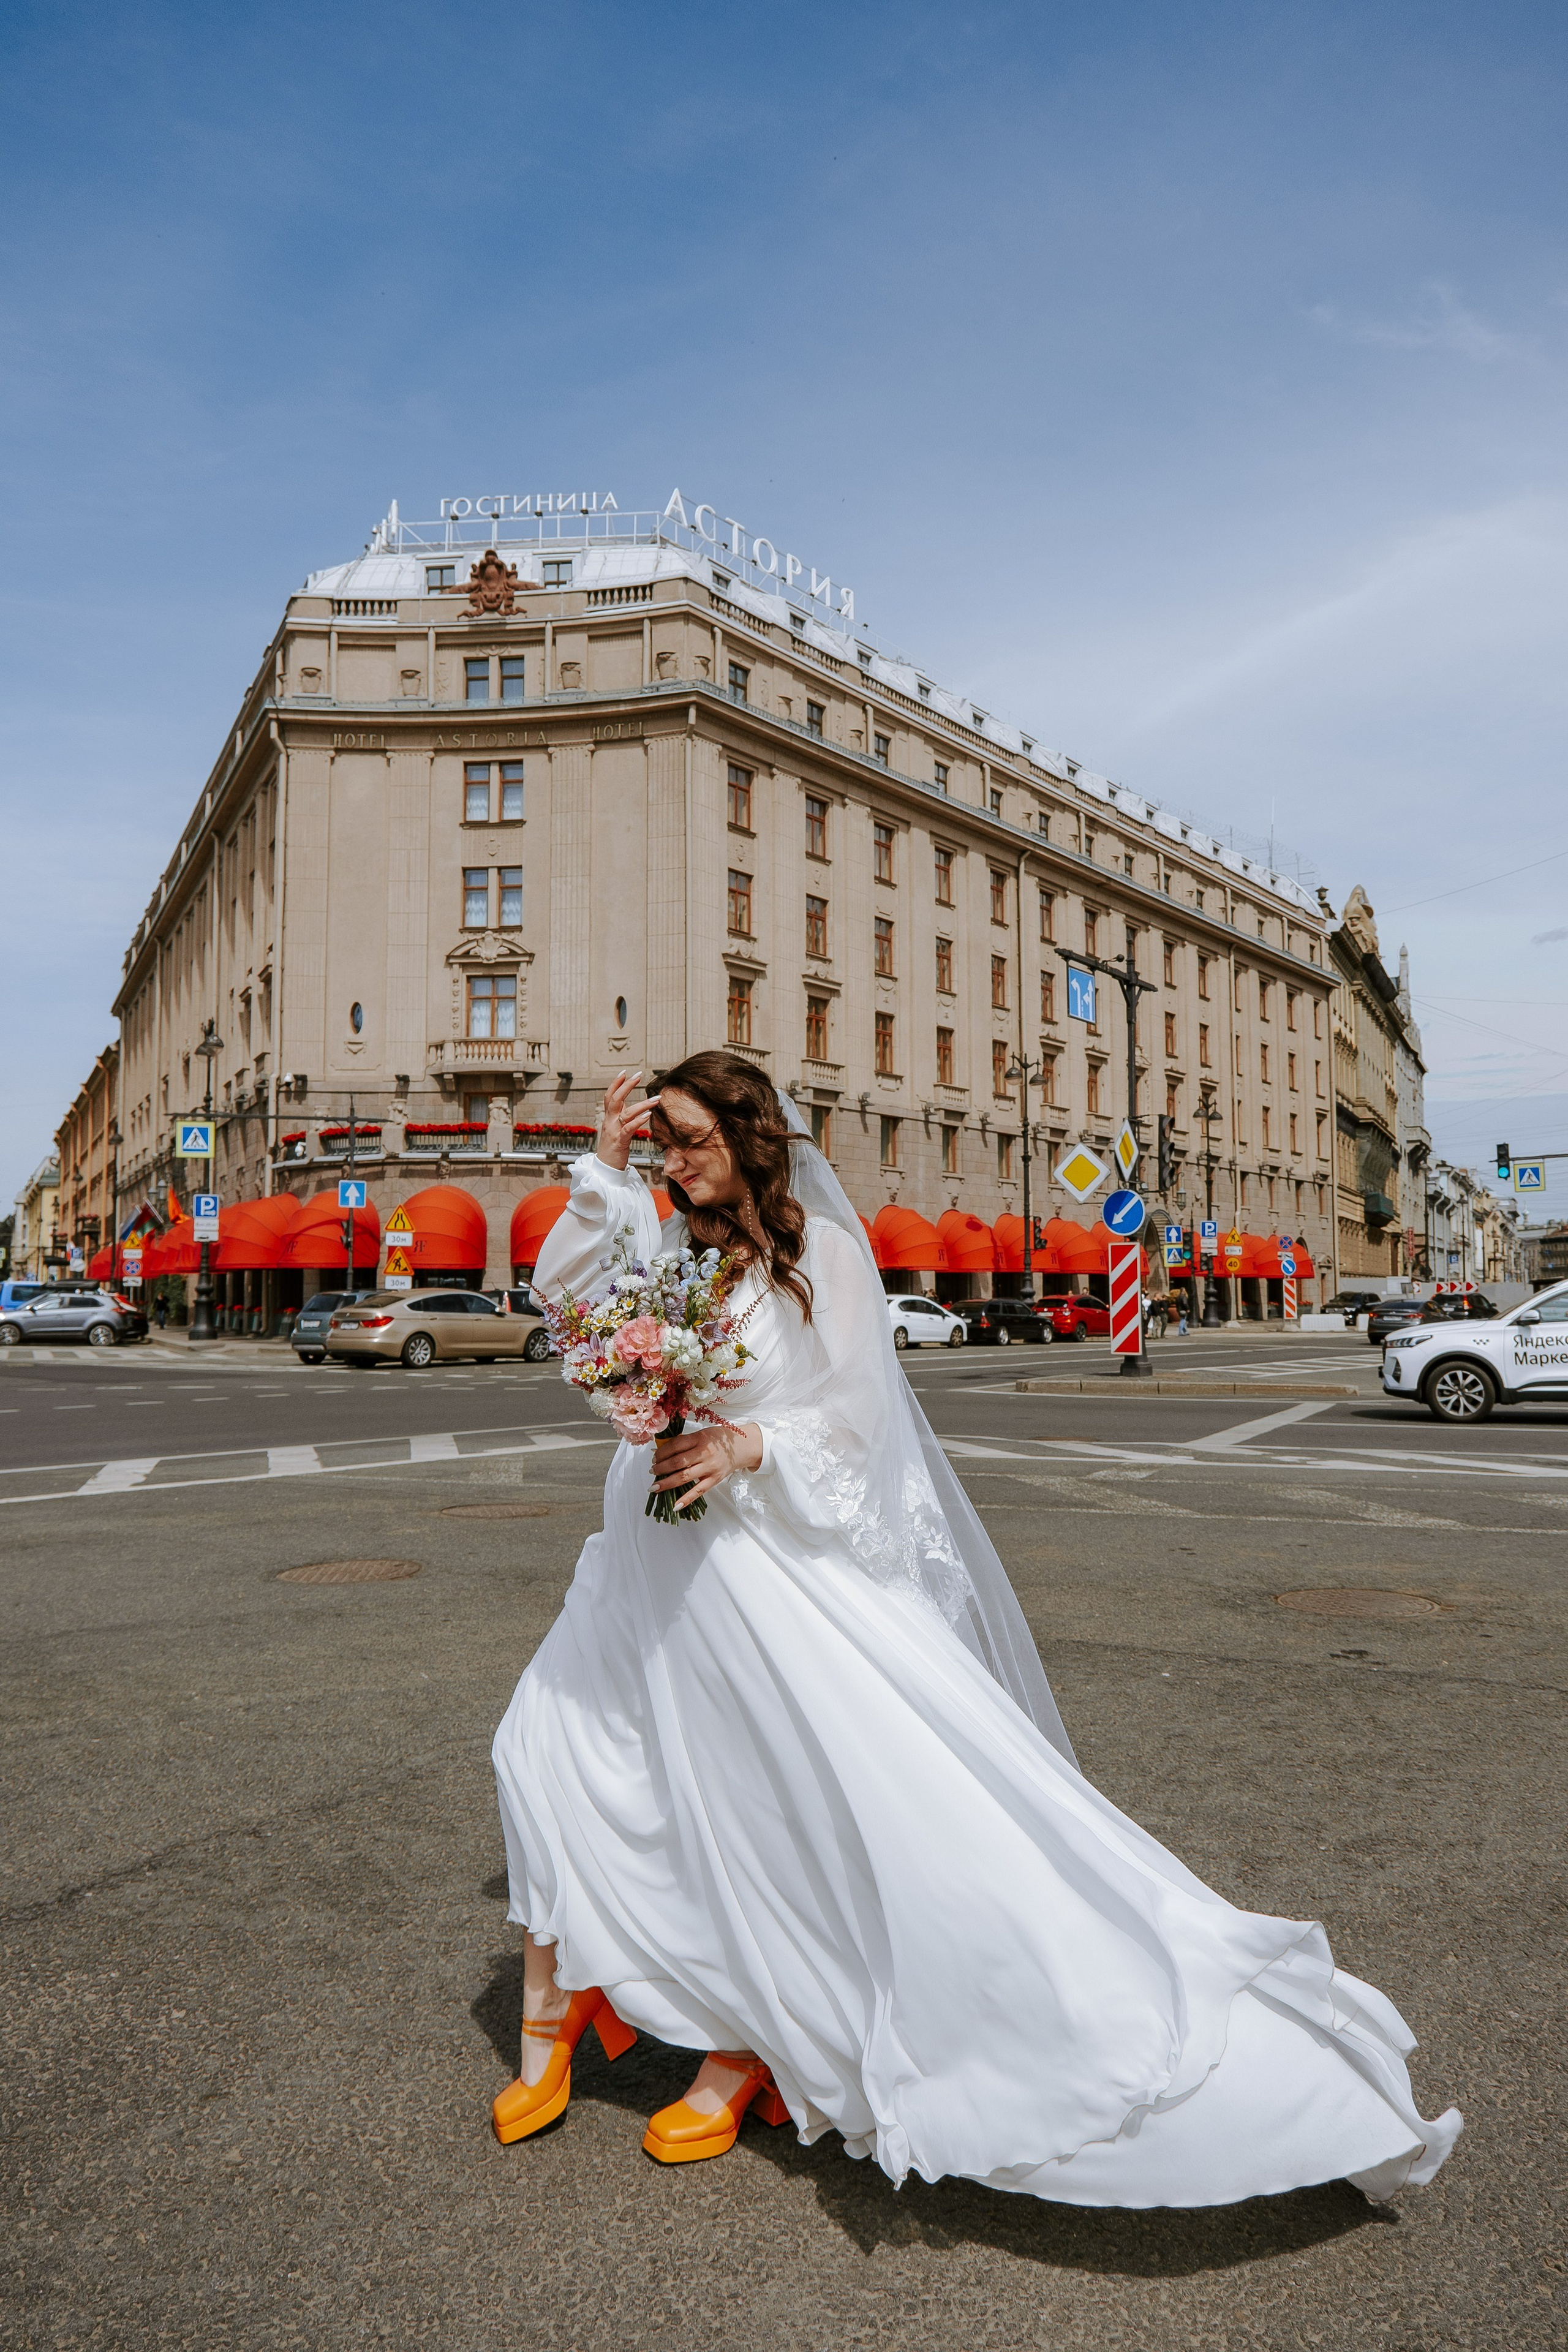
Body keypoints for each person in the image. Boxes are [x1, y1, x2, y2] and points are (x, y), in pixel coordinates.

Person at [490, 1052, 1459, 2202]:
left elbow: (855, 1428)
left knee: (754, 1814)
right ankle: (560, 1994)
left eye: (691, 1141)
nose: (677, 1162)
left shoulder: (829, 1257)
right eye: (665, 1145)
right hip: (643, 1555)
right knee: (538, 1747)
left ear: (753, 1137)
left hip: (750, 1567)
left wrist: (750, 1444)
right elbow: (570, 1305)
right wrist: (603, 1172)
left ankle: (743, 2041)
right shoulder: (679, 1243)